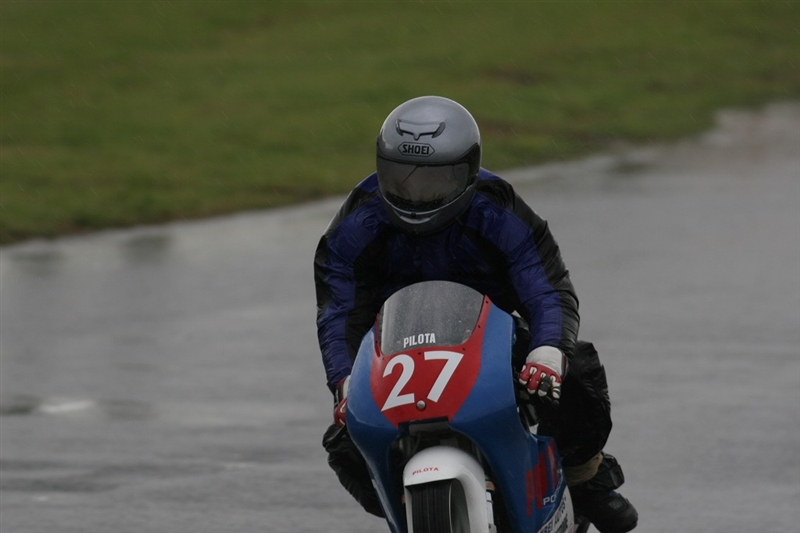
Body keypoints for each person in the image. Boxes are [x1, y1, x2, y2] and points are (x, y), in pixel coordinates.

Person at [314, 95, 638, 533]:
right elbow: (339, 311)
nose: (416, 193)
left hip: (494, 341)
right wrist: (344, 382)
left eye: (434, 180)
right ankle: (404, 508)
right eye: (401, 177)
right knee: (343, 442)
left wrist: (547, 351)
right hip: (396, 350)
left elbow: (547, 289)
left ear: (468, 172)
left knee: (577, 368)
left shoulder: (498, 210)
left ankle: (585, 479)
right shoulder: (356, 224)